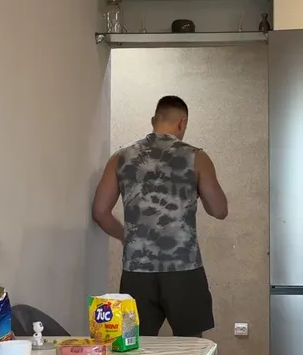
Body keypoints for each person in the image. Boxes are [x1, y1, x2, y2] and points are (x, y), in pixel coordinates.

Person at [91, 95, 229, 338]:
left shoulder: (120, 158)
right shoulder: (196, 158)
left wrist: (127, 236)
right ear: (182, 123)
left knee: (135, 345)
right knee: (191, 347)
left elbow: (100, 212)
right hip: (183, 268)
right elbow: (219, 210)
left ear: (153, 120)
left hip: (137, 270)